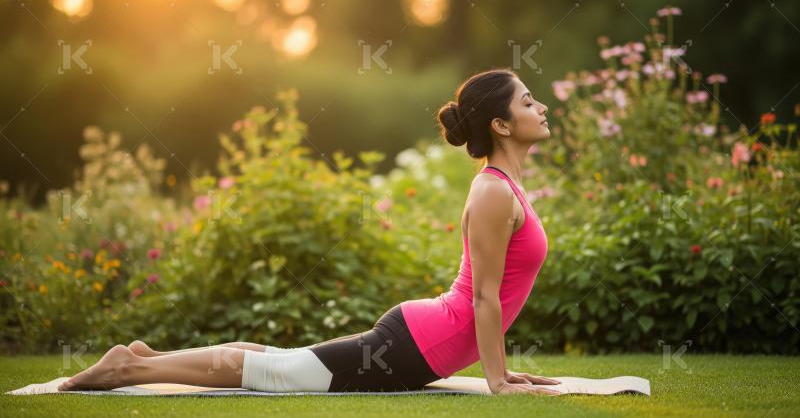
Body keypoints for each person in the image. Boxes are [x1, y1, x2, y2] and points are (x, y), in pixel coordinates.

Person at [58, 68, 560, 396]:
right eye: (529, 101)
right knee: (283, 376)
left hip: (425, 335)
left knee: (288, 361)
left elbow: (488, 296)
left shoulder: (505, 188)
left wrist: (503, 371)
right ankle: (125, 370)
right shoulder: (494, 191)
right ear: (500, 124)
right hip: (420, 341)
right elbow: (484, 299)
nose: (540, 108)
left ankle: (148, 357)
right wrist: (498, 381)